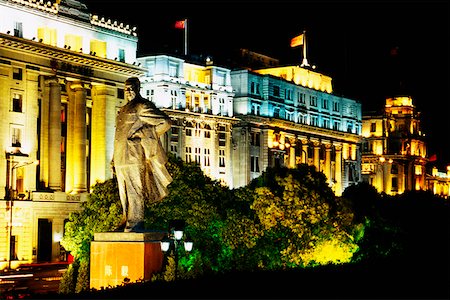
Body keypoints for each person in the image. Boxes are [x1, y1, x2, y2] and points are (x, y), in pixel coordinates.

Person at [112, 77, 172, 232]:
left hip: (134, 155)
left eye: (131, 88)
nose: (128, 92)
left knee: (135, 189)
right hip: (120, 156)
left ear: (138, 88)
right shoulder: (123, 109)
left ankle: (136, 221)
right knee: (123, 190)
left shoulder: (142, 106)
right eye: (126, 89)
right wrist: (114, 158)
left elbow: (165, 123)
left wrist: (142, 134)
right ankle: (126, 219)